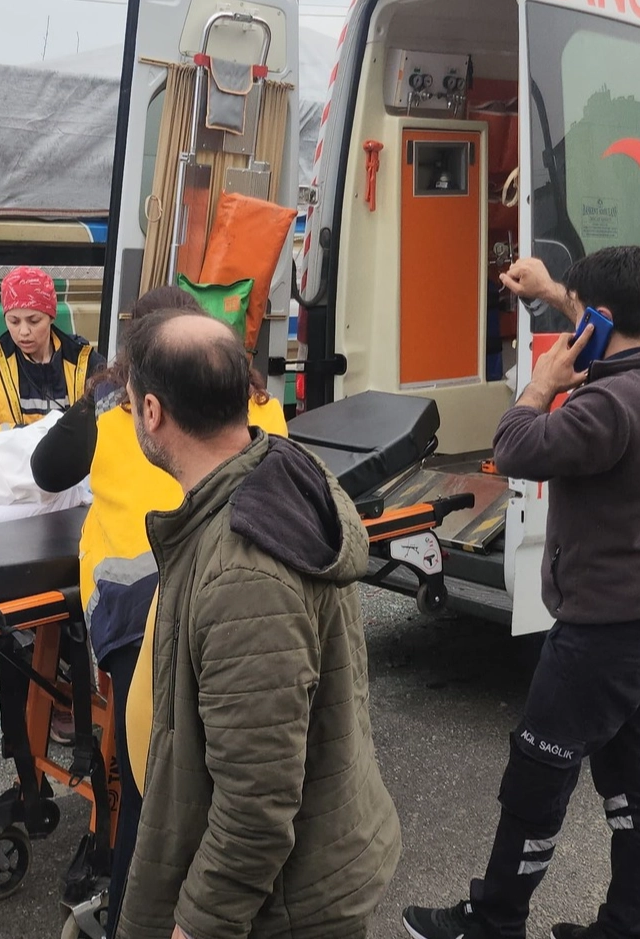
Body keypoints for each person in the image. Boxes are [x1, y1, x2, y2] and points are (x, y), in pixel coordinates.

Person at [402, 246, 640, 939]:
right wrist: (552, 291)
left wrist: (538, 384)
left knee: (536, 779)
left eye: (582, 312)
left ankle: (494, 921)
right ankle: (630, 927)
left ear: (602, 321)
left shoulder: (607, 406)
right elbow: (600, 313)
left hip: (598, 639)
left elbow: (513, 447)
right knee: (633, 788)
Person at [114, 308, 401, 939]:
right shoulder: (273, 471)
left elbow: (256, 804)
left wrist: (198, 924)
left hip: (285, 913)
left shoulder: (244, 575)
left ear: (152, 412)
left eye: (131, 401)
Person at [28, 285, 289, 933]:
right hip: (235, 597)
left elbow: (48, 470)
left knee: (152, 793)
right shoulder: (261, 405)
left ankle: (135, 913)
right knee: (230, 777)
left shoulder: (118, 411)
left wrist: (96, 395)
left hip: (137, 608)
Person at [0, 265, 105, 443]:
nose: (23, 332)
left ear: (51, 317)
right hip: (10, 461)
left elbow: (110, 422)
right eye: (14, 321)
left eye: (34, 321)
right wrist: (31, 437)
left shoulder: (87, 362)